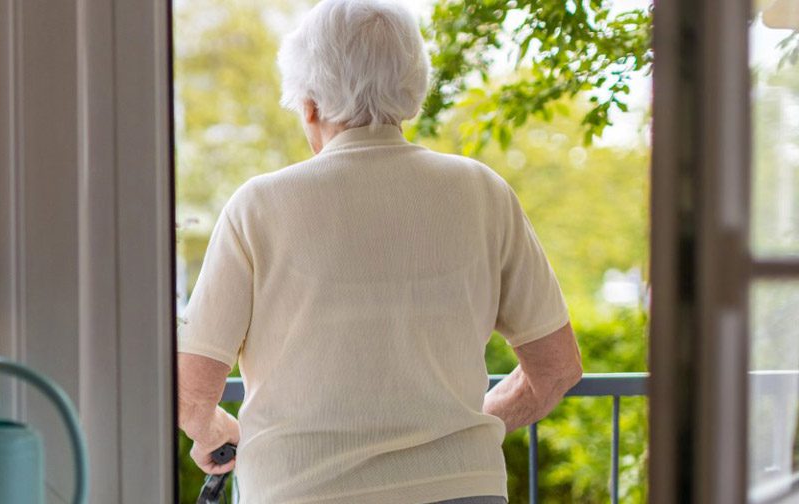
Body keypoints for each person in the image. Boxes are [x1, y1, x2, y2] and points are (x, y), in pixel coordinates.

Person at [176, 0, 584, 502]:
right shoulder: (483, 192)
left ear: (309, 104)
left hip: (303, 490)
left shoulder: (258, 206)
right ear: (413, 92)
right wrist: (464, 432)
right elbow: (557, 370)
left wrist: (217, 433)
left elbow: (190, 396)